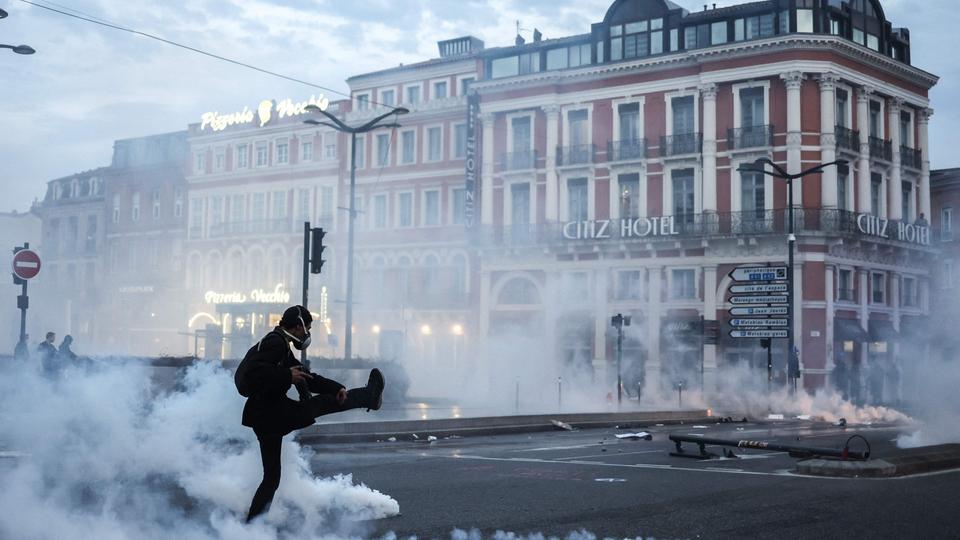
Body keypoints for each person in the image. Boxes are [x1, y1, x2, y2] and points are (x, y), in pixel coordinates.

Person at [235, 305, 385, 523]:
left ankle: (252, 525)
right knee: (321, 405)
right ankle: (368, 396)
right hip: (271, 413)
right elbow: (255, 372)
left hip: (266, 416)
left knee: (271, 478)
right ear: (298, 327)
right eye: (308, 328)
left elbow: (306, 376)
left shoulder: (280, 344)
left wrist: (336, 387)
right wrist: (287, 376)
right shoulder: (275, 343)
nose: (308, 334)